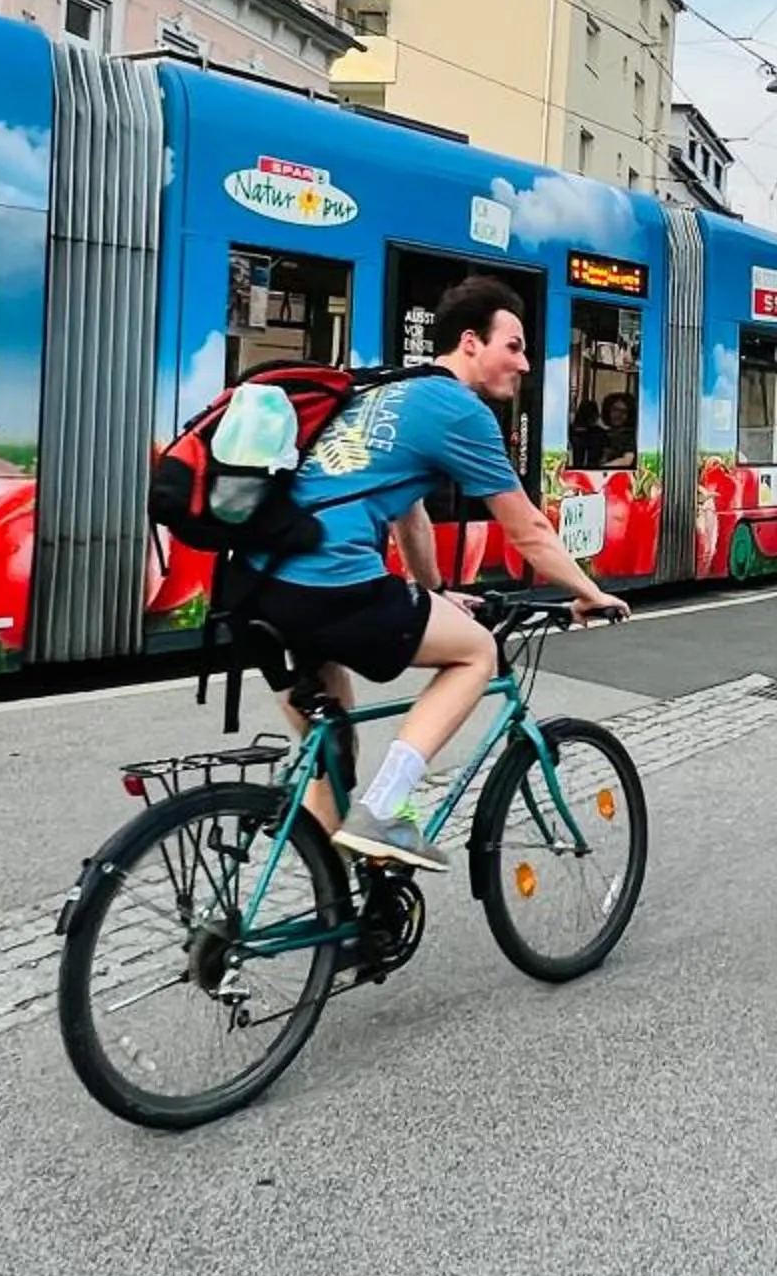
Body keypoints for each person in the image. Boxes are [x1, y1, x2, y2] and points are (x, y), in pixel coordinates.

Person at [233, 277, 629, 873]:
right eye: (514, 346)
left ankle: (330, 920)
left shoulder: (387, 387)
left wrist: (437, 592)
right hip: (327, 580)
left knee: (330, 750)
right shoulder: (459, 410)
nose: (523, 365)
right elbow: (528, 532)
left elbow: (407, 513)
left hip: (255, 585)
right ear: (471, 342)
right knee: (476, 655)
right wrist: (591, 593)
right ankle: (386, 805)